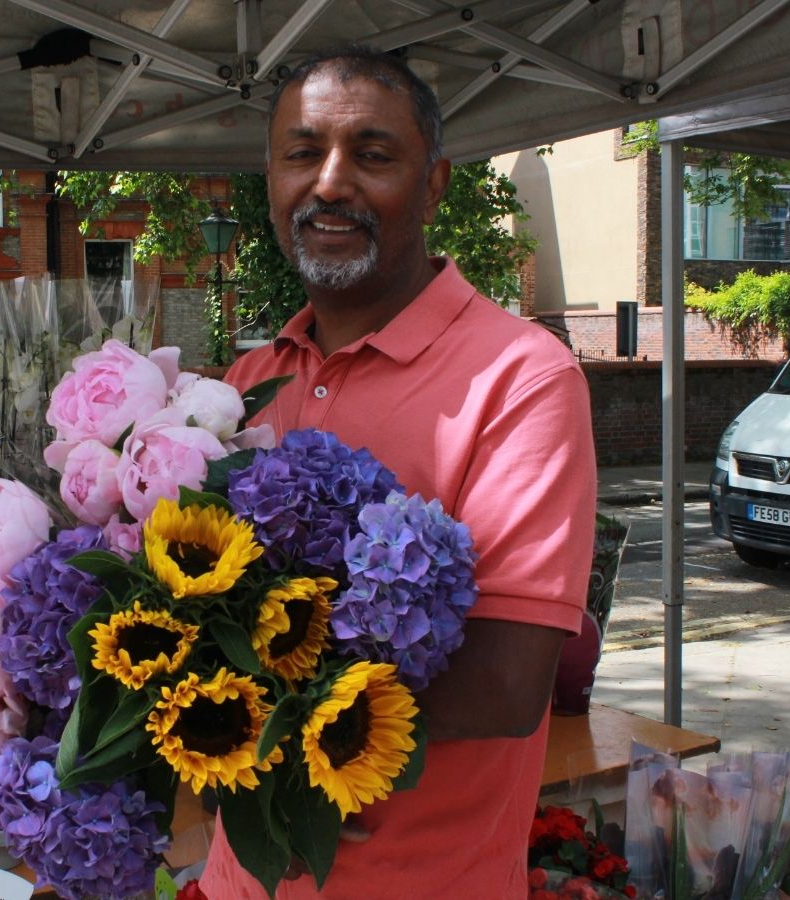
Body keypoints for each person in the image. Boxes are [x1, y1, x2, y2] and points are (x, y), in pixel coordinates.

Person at [199, 47, 597, 898]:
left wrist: (267, 739)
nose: (330, 183)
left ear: (434, 184)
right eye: (302, 153)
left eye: (373, 155)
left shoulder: (522, 378)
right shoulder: (247, 382)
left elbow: (505, 683)